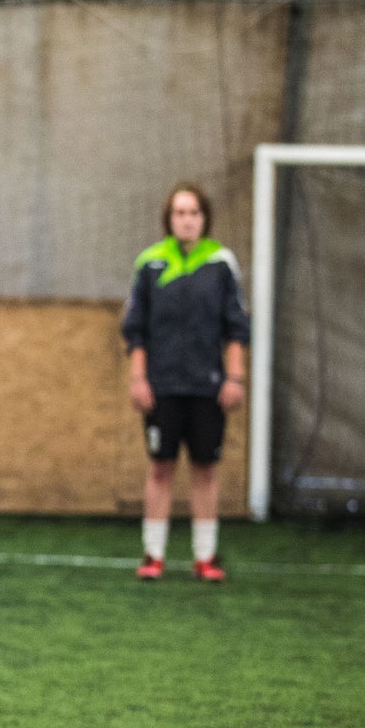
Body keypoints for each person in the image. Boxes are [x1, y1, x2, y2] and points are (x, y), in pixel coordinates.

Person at [121, 182, 250, 581]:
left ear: (205, 218)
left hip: (208, 386)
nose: (187, 220)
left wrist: (234, 376)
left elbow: (236, 327)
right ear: (169, 219)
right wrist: (139, 378)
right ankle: (153, 554)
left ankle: (205, 556)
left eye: (194, 213)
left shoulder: (221, 264)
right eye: (180, 213)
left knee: (205, 468)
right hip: (162, 386)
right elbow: (136, 330)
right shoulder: (150, 263)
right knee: (160, 467)